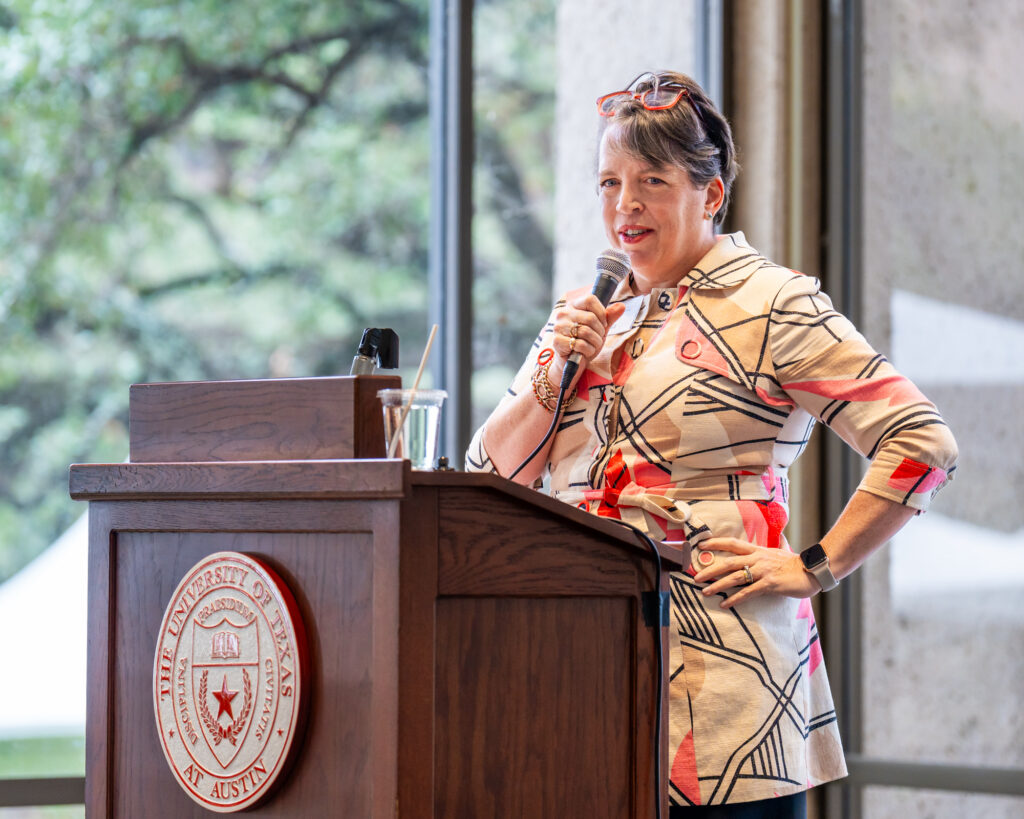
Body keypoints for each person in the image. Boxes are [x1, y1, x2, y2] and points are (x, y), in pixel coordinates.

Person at [465, 70, 957, 817]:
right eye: (609, 183)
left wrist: (812, 565)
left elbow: (921, 442)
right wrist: (554, 365)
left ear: (711, 193)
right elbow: (487, 474)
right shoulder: (589, 315)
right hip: (576, 686)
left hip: (725, 704)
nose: (624, 205)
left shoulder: (773, 302)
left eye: (652, 181)